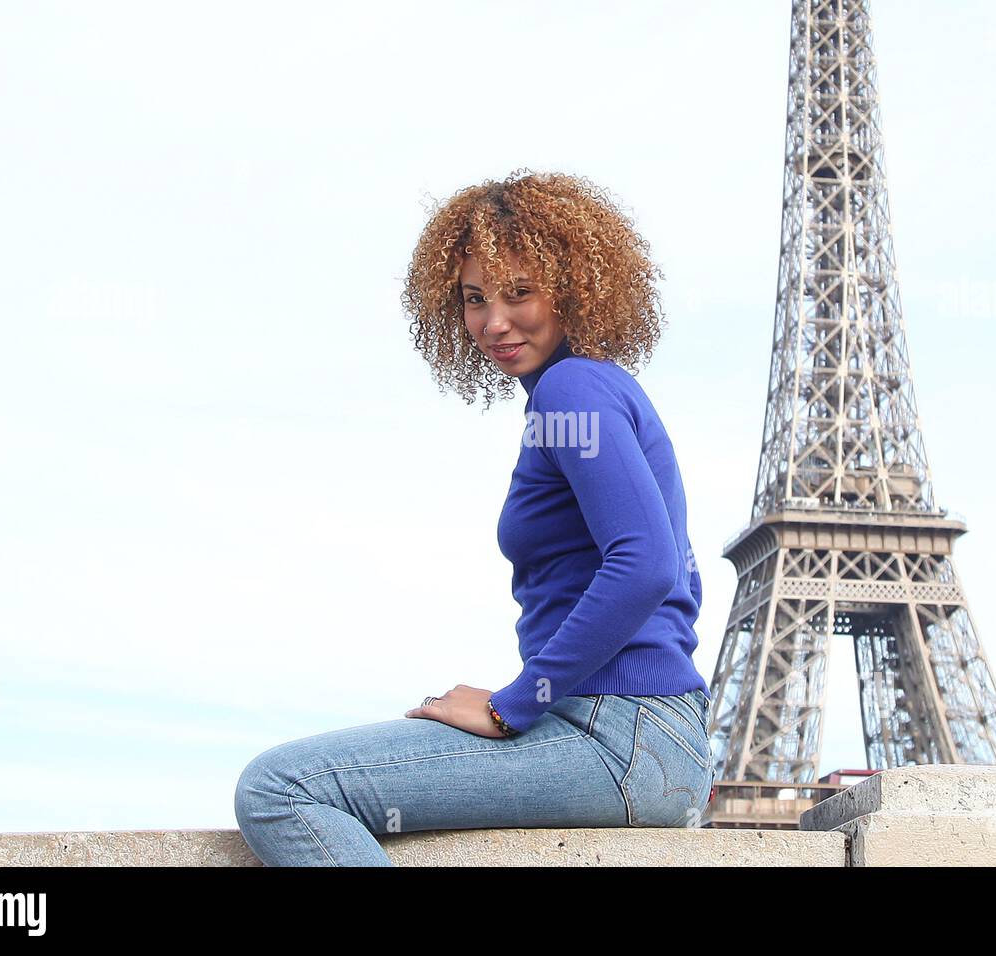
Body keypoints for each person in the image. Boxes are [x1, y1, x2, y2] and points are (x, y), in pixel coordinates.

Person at [233, 169, 713, 866]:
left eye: (520, 292)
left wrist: (511, 704)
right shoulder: (593, 389)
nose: (494, 322)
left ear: (572, 286)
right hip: (646, 736)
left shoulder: (573, 391)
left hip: (622, 734)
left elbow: (645, 565)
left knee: (280, 788)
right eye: (473, 299)